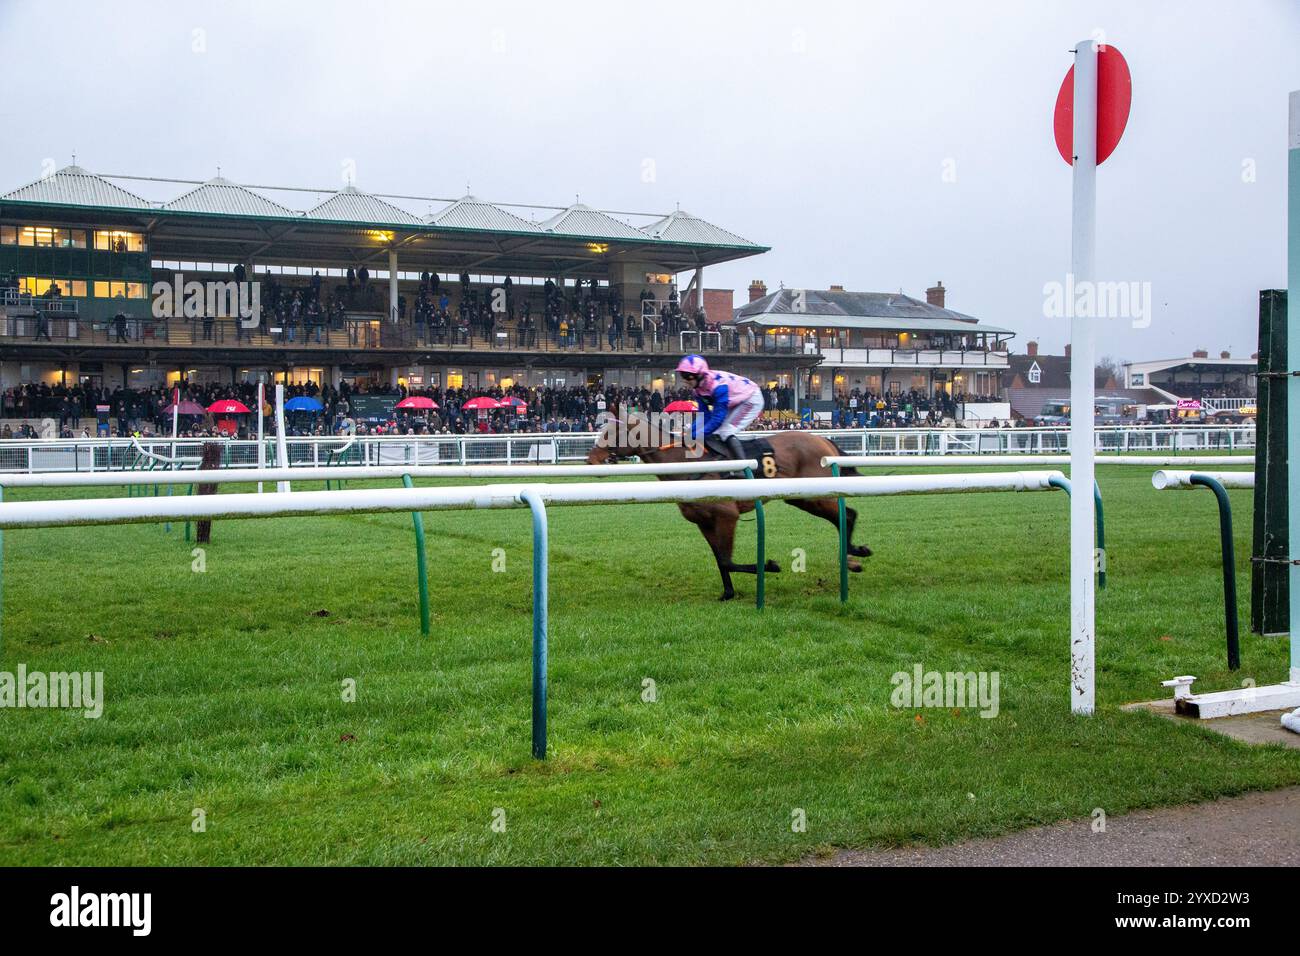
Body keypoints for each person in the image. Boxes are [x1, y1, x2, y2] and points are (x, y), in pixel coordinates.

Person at [675, 354, 764, 461]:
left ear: (699, 375)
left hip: (751, 398)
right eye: (683, 376)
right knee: (716, 432)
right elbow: (704, 417)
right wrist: (688, 433)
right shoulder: (697, 390)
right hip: (736, 401)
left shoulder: (718, 387)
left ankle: (744, 468)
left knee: (726, 431)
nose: (685, 381)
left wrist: (694, 436)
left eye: (687, 376)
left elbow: (717, 420)